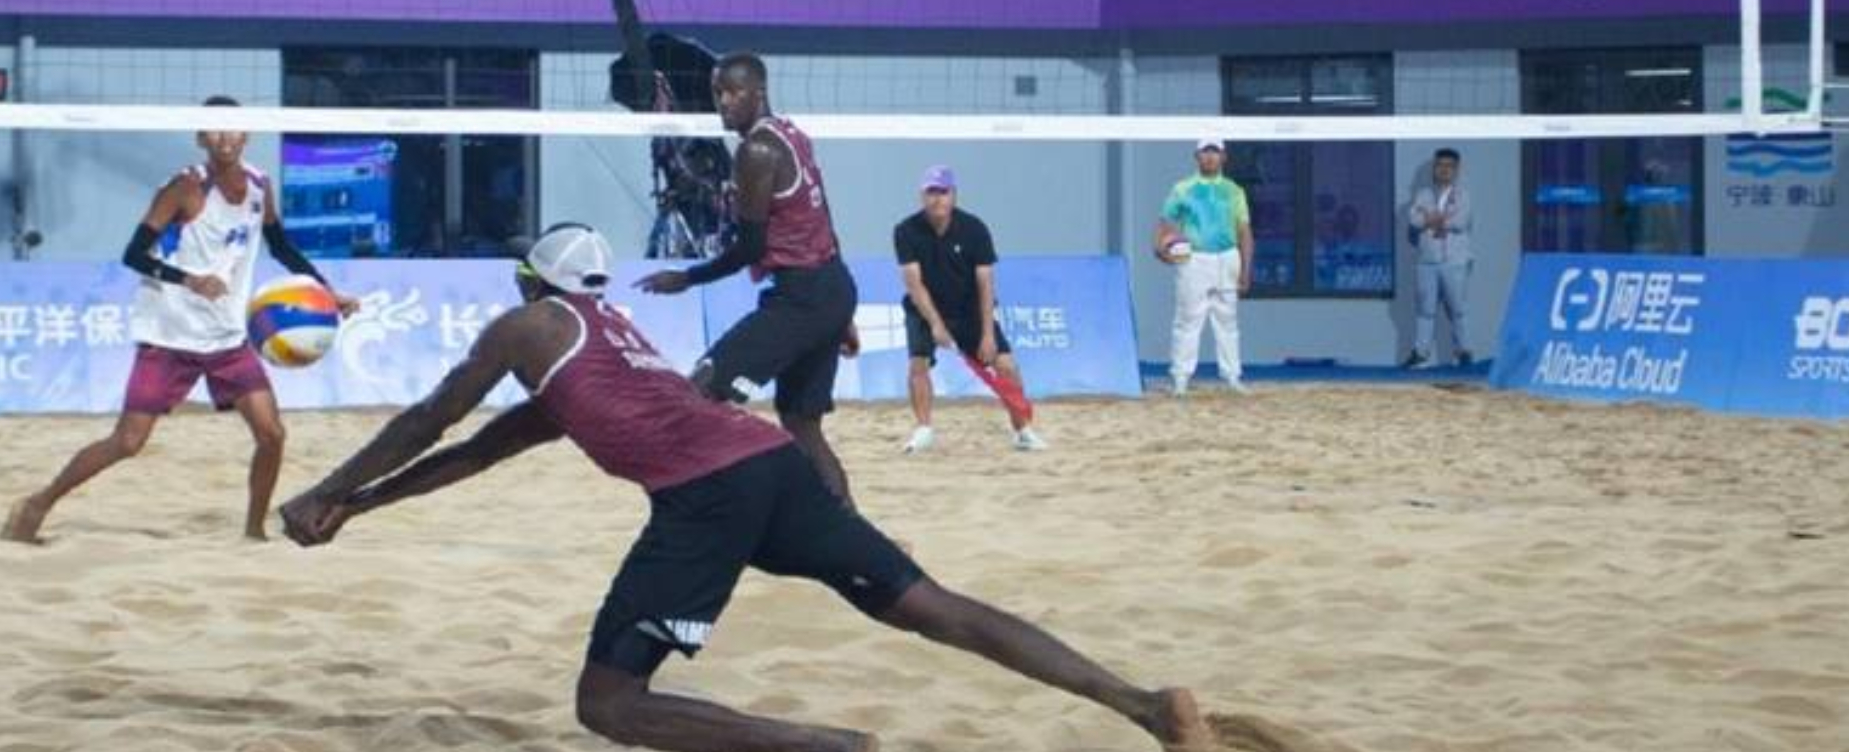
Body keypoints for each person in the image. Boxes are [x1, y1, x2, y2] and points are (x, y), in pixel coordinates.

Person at [276, 224, 1214, 752]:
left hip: (710, 495)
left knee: (607, 704)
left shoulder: (528, 329)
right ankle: (1145, 706)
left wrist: (323, 484)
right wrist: (353, 507)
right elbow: (477, 454)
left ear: (531, 280)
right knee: (933, 605)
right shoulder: (607, 346)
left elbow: (428, 423)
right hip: (767, 463)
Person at [1, 99, 359, 543]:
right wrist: (187, 278)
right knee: (128, 443)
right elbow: (133, 254)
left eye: (233, 130)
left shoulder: (259, 186)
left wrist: (327, 292)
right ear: (201, 138)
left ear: (246, 136)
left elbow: (281, 247)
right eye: (215, 131)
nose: (225, 138)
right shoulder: (184, 187)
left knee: (272, 434)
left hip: (226, 338)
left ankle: (253, 532)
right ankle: (37, 503)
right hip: (169, 336)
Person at [636, 53, 862, 506]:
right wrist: (843, 312)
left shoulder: (756, 151)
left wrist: (688, 278)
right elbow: (823, 218)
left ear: (758, 93)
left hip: (803, 297)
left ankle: (707, 509)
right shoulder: (792, 134)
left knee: (699, 390)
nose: (723, 102)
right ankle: (862, 543)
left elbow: (750, 250)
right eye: (718, 92)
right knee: (801, 424)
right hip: (830, 287)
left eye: (733, 92)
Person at [894, 166, 1044, 454]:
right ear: (921, 196)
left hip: (969, 311)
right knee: (918, 364)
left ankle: (1022, 430)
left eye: (943, 192)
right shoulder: (906, 231)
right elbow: (914, 285)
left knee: (1006, 366)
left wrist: (987, 334)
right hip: (924, 310)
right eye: (931, 192)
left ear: (954, 195)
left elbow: (986, 284)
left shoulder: (974, 229)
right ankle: (924, 430)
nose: (937, 199)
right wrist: (936, 324)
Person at [1153, 139, 1252, 398]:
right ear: (1196, 156)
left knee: (1227, 320)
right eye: (1205, 152)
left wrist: (1246, 269)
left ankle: (1232, 376)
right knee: (1188, 319)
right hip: (1194, 259)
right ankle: (1181, 378)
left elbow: (1244, 230)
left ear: (1224, 157)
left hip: (1227, 257)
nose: (1210, 157)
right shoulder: (1183, 189)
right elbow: (1165, 221)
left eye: (1215, 152)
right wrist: (1160, 247)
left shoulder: (1234, 191)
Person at [1405, 147, 1472, 369]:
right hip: (1427, 261)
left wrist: (1431, 218)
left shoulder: (1463, 195)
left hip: (1454, 261)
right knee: (1425, 309)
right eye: (1439, 165)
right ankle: (1421, 352)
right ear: (1434, 168)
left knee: (1457, 309)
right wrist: (1435, 219)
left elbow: (1460, 222)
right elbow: (1414, 220)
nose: (1443, 170)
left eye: (1448, 166)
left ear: (1456, 170)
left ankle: (1463, 351)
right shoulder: (1423, 194)